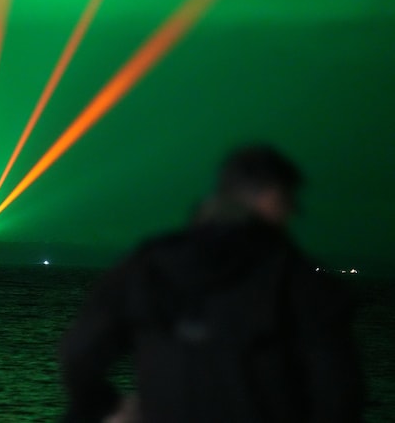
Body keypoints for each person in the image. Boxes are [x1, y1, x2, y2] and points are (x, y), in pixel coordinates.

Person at [59, 144, 363, 423]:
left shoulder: (148, 265)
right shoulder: (300, 281)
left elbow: (78, 356)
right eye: (289, 205)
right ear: (272, 198)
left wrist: (106, 405)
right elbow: (338, 393)